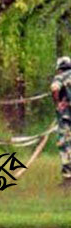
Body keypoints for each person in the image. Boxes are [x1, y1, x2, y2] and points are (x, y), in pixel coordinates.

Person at [50, 56, 71, 187]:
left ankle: (68, 178)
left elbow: (54, 88)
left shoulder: (61, 77)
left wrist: (58, 103)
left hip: (67, 116)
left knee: (65, 144)